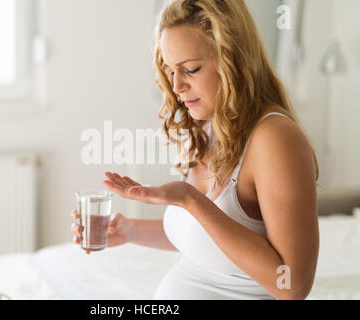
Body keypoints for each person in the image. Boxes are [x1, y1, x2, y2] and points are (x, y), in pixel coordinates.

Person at [71, 0, 319, 300]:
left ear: (233, 60)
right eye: (170, 70)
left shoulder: (275, 139)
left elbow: (292, 286)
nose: (176, 86)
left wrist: (191, 200)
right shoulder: (207, 126)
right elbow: (209, 240)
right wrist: (130, 230)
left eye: (191, 69)